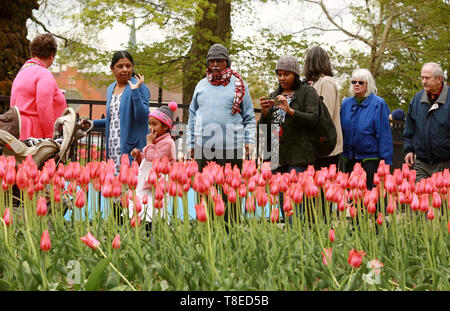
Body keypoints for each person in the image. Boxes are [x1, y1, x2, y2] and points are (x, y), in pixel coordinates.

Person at [186, 43, 256, 224]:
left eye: (220, 60)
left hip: (230, 148)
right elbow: (192, 116)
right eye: (212, 61)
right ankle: (207, 230)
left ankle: (230, 232)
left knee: (230, 194)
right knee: (206, 193)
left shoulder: (239, 85)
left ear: (227, 62)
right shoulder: (201, 85)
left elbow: (249, 116)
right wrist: (190, 143)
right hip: (204, 148)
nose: (215, 64)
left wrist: (249, 140)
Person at [259, 55, 321, 223]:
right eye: (279, 74)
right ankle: (289, 240)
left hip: (299, 157)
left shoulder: (307, 92)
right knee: (284, 206)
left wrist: (291, 111)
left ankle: (299, 240)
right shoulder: (274, 94)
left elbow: (313, 119)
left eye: (286, 74)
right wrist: (264, 114)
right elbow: (266, 130)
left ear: (295, 74)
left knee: (298, 207)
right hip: (278, 157)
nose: (282, 78)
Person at [93, 51, 150, 175]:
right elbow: (114, 120)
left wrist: (135, 92)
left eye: (128, 66)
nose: (125, 70)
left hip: (131, 150)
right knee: (116, 191)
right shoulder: (111, 88)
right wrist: (92, 124)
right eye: (120, 66)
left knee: (131, 191)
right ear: (112, 68)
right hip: (113, 150)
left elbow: (142, 117)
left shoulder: (140, 87)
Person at [340, 68, 393, 190]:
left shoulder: (378, 104)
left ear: (368, 84)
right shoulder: (346, 104)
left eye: (360, 82)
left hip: (370, 159)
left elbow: (384, 135)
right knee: (352, 199)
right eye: (354, 82)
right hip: (350, 159)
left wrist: (386, 162)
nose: (356, 85)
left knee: (369, 198)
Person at [129, 102, 177, 232]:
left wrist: (149, 143)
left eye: (154, 124)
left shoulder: (168, 143)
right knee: (144, 209)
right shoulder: (157, 140)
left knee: (153, 211)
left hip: (159, 185)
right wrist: (139, 156)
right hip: (150, 182)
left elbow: (152, 159)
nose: (151, 127)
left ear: (166, 127)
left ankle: (153, 235)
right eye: (150, 124)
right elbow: (146, 163)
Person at [10, 33, 67, 140]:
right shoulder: (43, 74)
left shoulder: (22, 71)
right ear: (51, 56)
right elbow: (44, 107)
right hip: (35, 134)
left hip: (18, 130)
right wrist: (51, 136)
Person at [403, 62, 450, 181]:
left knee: (443, 199)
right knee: (420, 198)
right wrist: (409, 149)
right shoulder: (416, 99)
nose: (424, 81)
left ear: (439, 79)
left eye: (427, 78)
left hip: (445, 164)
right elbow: (409, 128)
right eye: (422, 77)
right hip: (421, 164)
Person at [303, 46, 343, 169]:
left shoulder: (326, 82)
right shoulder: (313, 83)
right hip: (315, 147)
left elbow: (326, 116)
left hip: (326, 147)